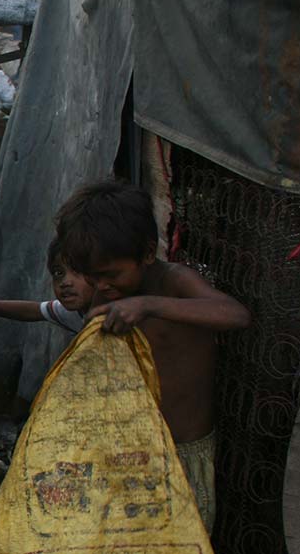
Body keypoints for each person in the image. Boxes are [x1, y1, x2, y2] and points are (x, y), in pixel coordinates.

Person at [53, 180, 250, 532]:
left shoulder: (174, 282)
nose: (101, 287)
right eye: (92, 278)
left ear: (146, 253)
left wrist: (148, 306)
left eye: (110, 275)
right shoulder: (106, 296)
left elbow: (235, 314)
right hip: (126, 454)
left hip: (182, 453)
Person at [0, 237, 95, 335]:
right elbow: (33, 310)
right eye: (58, 273)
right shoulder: (74, 314)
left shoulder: (111, 318)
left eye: (77, 270)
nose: (66, 282)